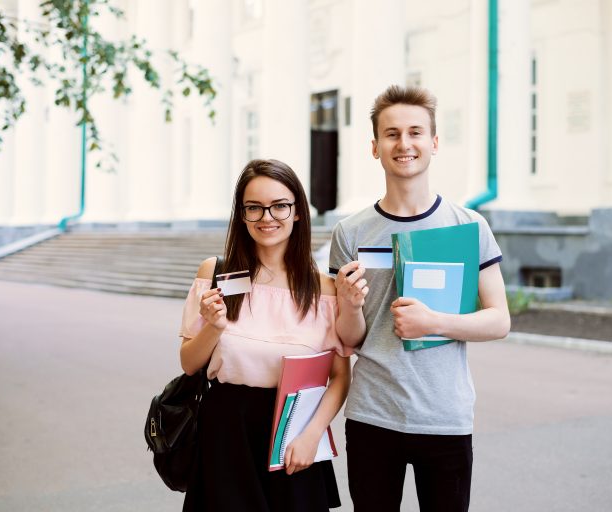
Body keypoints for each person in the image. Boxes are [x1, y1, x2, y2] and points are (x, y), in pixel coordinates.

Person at [330, 85, 511, 512]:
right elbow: (348, 339)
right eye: (391, 134)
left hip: (444, 415)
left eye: (415, 132)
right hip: (372, 415)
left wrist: (435, 323)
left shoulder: (468, 227)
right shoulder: (350, 233)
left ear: (433, 142)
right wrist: (351, 305)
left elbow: (499, 319)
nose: (404, 143)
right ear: (375, 147)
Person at [179, 159, 351, 511]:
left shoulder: (324, 289)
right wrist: (215, 325)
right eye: (254, 208)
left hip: (294, 429)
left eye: (279, 206)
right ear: (241, 215)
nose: (266, 218)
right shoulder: (217, 272)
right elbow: (188, 363)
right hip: (227, 431)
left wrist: (313, 434)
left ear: (298, 212)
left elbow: (339, 376)